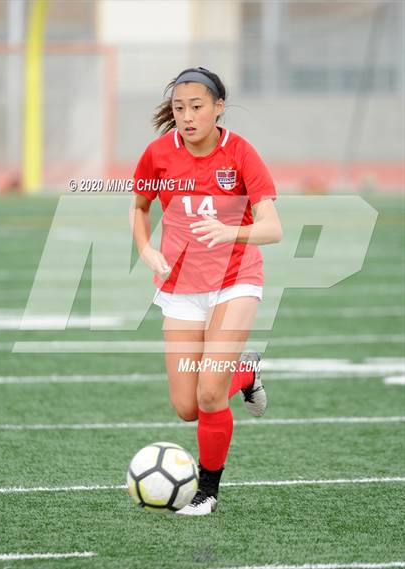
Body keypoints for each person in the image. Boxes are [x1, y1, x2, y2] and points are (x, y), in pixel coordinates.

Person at [131, 67, 282, 515]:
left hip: (235, 281)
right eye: (179, 108)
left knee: (211, 394)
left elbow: (272, 229)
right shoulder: (158, 155)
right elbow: (139, 206)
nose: (187, 116)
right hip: (181, 287)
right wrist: (144, 248)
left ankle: (207, 492)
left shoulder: (241, 154)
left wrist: (230, 231)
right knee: (186, 406)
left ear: (218, 107)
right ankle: (247, 374)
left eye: (197, 107)